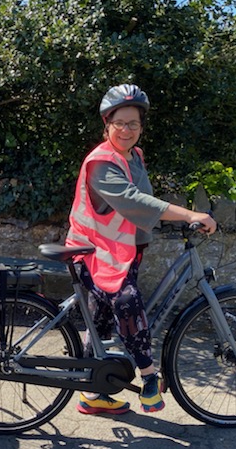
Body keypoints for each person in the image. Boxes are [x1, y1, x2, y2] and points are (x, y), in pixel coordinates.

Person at [66, 83, 216, 416]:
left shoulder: (134, 156)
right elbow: (135, 201)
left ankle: (94, 393)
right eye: (120, 122)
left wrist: (169, 219)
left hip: (118, 250)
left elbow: (141, 206)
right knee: (127, 300)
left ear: (141, 128)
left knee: (101, 322)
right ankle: (149, 377)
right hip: (94, 251)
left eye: (134, 123)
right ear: (107, 125)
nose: (126, 130)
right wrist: (189, 213)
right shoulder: (102, 162)